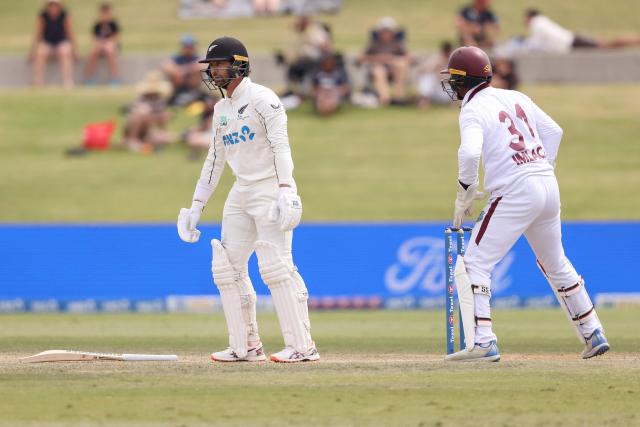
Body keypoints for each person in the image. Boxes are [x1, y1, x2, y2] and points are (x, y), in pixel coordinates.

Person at [440, 46, 610, 362]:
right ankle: (592, 331)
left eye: (454, 79)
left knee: (474, 263)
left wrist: (466, 192)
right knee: (555, 262)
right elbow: (554, 131)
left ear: (464, 81)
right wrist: (542, 167)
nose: (451, 85)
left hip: (515, 190)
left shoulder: (473, 108)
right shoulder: (516, 96)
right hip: (547, 184)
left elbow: (468, 153)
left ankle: (483, 341)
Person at [177, 36, 319, 363]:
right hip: (241, 190)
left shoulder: (263, 100)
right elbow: (214, 160)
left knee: (276, 266)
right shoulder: (221, 109)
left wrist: (287, 189)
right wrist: (196, 206)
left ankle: (302, 346)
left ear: (238, 65)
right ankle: (246, 346)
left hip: (270, 188)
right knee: (227, 267)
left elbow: (281, 147)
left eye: (218, 64)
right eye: (210, 65)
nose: (213, 70)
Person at [523, 9, 640, 54]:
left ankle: (635, 40)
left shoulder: (536, 23)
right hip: (573, 40)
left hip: (572, 42)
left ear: (529, 17)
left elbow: (534, 44)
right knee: (607, 45)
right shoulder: (542, 21)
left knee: (606, 46)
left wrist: (522, 46)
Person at [358, 16, 411, 106]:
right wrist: (379, 58)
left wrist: (392, 59)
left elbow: (409, 57)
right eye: (384, 31)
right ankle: (385, 99)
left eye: (388, 31)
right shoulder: (374, 43)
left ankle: (398, 96)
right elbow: (361, 58)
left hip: (394, 69)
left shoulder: (397, 43)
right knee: (379, 71)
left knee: (401, 64)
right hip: (378, 68)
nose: (386, 34)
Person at [29, 0, 78, 88]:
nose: (53, 7)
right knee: (41, 52)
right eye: (51, 5)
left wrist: (75, 50)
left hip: (61, 41)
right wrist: (32, 51)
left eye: (55, 5)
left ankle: (68, 81)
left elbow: (70, 32)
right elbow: (38, 33)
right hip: (48, 42)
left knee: (65, 51)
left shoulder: (64, 15)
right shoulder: (43, 15)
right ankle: (38, 81)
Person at [122, 71, 172, 154]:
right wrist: (157, 117)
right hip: (133, 128)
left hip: (147, 130)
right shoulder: (140, 100)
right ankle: (132, 139)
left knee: (161, 138)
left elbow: (160, 120)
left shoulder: (160, 101)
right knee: (143, 111)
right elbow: (137, 116)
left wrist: (163, 121)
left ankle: (144, 140)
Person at [83, 3, 120, 85]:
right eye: (103, 13)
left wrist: (106, 43)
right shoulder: (97, 25)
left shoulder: (113, 24)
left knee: (110, 49)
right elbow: (94, 39)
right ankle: (90, 77)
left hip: (110, 46)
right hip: (100, 46)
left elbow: (115, 38)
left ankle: (115, 78)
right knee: (93, 51)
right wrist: (100, 44)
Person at [162, 34, 203, 106]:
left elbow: (201, 66)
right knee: (174, 73)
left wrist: (183, 71)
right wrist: (179, 72)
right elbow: (166, 66)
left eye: (190, 46)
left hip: (193, 88)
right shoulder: (176, 58)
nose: (188, 48)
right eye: (186, 46)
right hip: (178, 88)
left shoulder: (197, 57)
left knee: (195, 73)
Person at [416, 41, 454, 109]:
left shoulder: (455, 61)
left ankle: (455, 104)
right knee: (428, 77)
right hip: (434, 91)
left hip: (448, 93)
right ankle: (424, 100)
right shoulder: (436, 59)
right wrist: (434, 66)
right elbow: (420, 71)